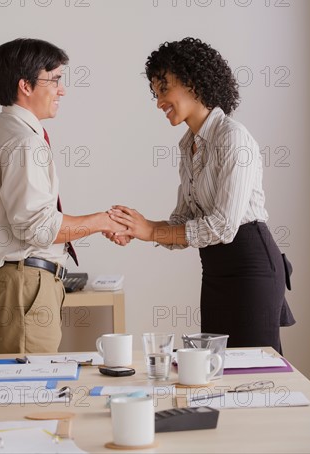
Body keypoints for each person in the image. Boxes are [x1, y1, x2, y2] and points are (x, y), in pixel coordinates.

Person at [108, 37, 295, 354]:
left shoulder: (233, 138)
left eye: (164, 90)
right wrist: (138, 227)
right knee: (215, 370)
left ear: (192, 83)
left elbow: (222, 226)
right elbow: (184, 221)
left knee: (250, 375)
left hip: (252, 268)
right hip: (216, 271)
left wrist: (153, 230)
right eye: (155, 94)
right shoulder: (189, 145)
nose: (158, 102)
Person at [0, 38, 126, 355]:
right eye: (55, 79)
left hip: (12, 283)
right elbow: (39, 228)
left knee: (23, 394)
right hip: (25, 287)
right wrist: (102, 222)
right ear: (26, 86)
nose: (62, 90)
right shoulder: (24, 142)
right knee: (31, 396)